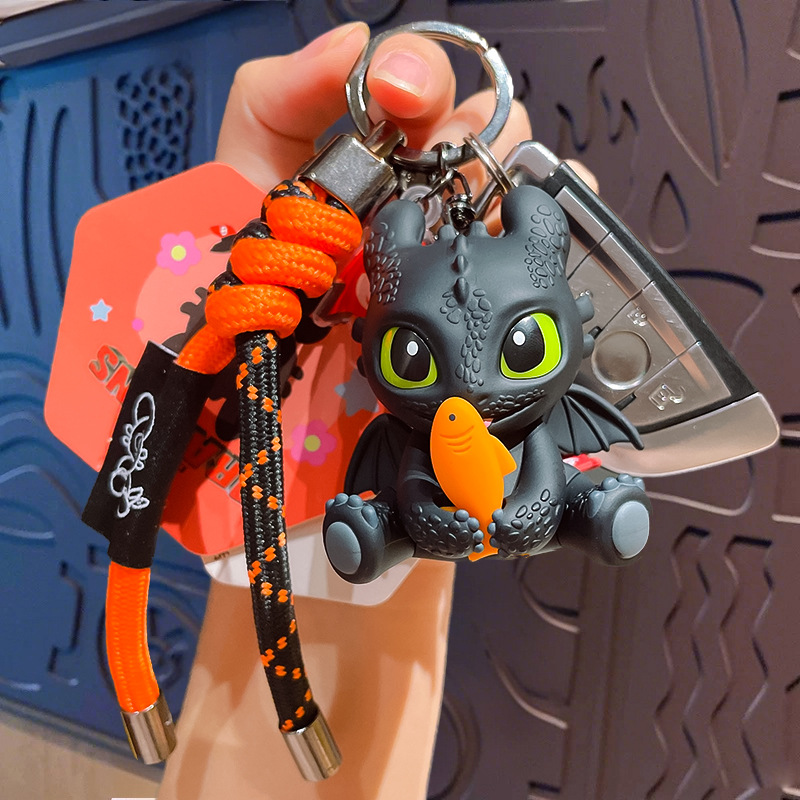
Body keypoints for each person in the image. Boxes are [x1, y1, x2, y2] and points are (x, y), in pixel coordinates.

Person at [158, 22, 595, 799]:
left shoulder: (530, 421)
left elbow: (537, 470)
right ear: (366, 337)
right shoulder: (388, 404)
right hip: (330, 421)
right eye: (414, 359)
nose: (473, 390)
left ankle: (593, 506)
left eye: (525, 349)